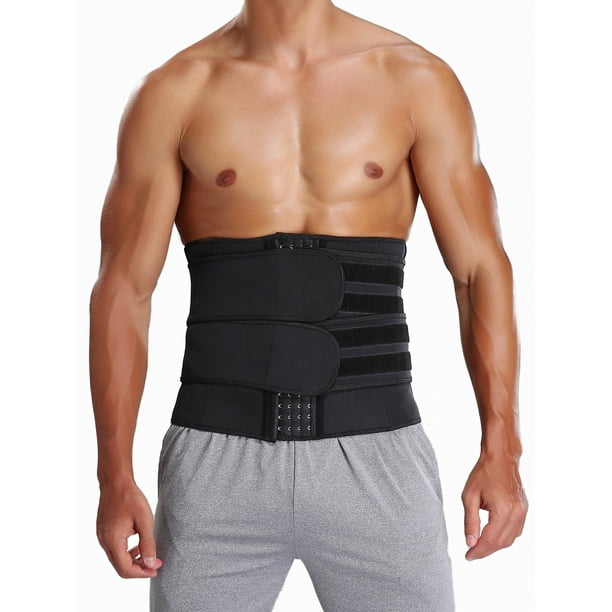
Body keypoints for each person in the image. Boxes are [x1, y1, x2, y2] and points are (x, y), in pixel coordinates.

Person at [89, 1, 528, 610]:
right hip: (215, 465)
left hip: (378, 457)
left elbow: (479, 271)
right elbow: (124, 291)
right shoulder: (175, 92)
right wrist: (114, 475)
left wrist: (502, 449)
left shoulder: (414, 80)